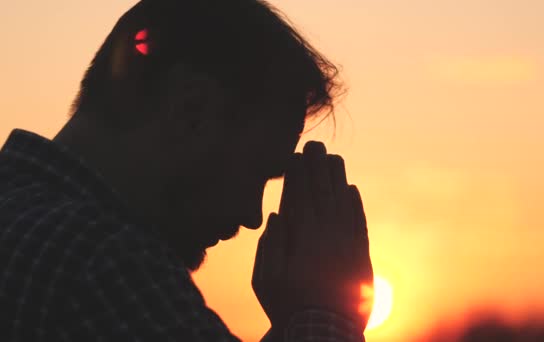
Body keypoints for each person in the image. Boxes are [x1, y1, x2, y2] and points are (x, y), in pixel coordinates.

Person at [0, 0, 374, 341]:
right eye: (256, 170)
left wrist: (296, 322)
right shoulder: (102, 263)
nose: (253, 215)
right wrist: (329, 309)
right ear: (191, 109)